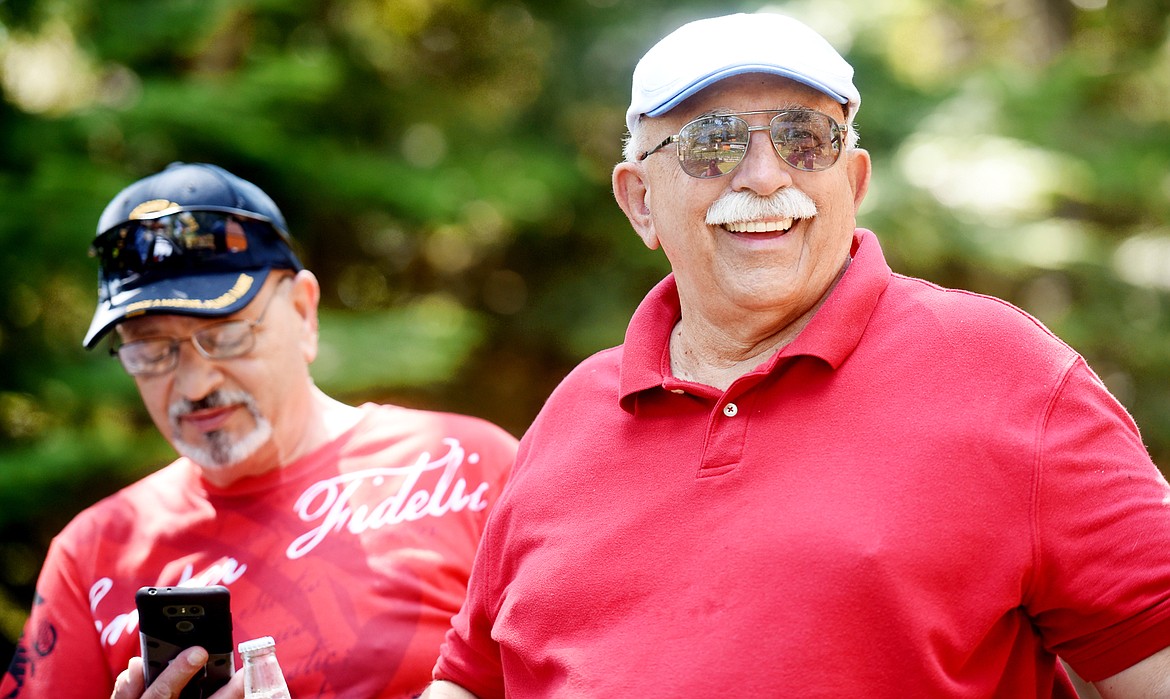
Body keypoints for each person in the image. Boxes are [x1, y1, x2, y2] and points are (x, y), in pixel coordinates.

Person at [423, 12, 1170, 698]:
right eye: (710, 141)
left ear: (854, 178)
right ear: (640, 200)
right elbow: (470, 682)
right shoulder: (573, 411)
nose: (764, 175)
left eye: (805, 137)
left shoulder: (1009, 374)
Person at [0, 162, 517, 699]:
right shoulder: (90, 555)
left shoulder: (470, 467)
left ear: (303, 311)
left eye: (225, 335)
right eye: (151, 349)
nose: (195, 383)